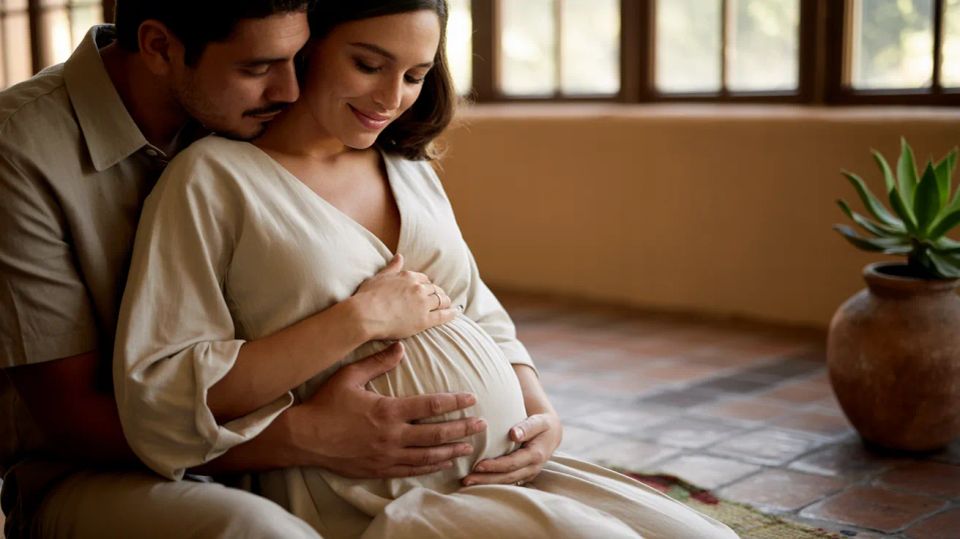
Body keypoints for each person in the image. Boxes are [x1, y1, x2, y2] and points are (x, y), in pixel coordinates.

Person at [113, 1, 741, 538]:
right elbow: (163, 394)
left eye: (414, 74)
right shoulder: (212, 179)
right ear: (309, 47)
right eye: (368, 64)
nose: (392, 97)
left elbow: (479, 309)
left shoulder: (408, 169)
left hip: (502, 470)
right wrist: (357, 320)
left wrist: (539, 415)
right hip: (370, 493)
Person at [0, 1, 488, 537]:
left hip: (281, 447)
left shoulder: (247, 120)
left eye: (297, 58)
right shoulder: (19, 150)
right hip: (95, 467)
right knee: (255, 531)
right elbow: (70, 421)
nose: (291, 90)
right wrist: (302, 436)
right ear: (161, 47)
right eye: (258, 68)